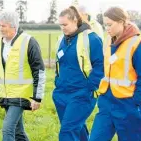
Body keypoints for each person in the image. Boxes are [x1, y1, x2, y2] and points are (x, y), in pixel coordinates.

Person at [89, 7, 141, 141]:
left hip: (128, 104)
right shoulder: (108, 40)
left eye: (110, 24)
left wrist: (136, 102)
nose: (107, 28)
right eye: (105, 24)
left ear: (122, 21)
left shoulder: (136, 43)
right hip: (106, 102)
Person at [0, 11, 46, 141]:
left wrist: (38, 97)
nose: (1, 29)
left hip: (21, 95)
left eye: (4, 26)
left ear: (14, 26)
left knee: (7, 129)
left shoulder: (29, 41)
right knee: (19, 133)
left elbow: (39, 71)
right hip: (6, 95)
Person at [53, 6, 104, 141]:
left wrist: (89, 87)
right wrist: (57, 83)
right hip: (62, 93)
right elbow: (59, 64)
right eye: (60, 25)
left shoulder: (91, 38)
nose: (62, 28)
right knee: (76, 128)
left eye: (65, 24)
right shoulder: (61, 40)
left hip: (82, 94)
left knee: (67, 131)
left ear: (75, 20)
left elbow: (101, 65)